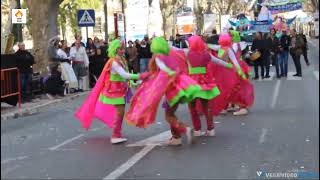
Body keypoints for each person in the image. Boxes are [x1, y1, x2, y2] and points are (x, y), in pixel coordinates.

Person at [126, 37, 203, 145]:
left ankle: (185, 129)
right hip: (181, 87)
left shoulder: (158, 57)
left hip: (171, 89)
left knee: (168, 115)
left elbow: (162, 69)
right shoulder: (171, 55)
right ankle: (176, 138)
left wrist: (169, 73)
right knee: (170, 113)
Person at [75, 39, 150, 144]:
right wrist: (140, 76)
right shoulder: (114, 61)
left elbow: (125, 76)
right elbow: (124, 75)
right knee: (120, 112)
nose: (122, 51)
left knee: (120, 112)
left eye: (123, 49)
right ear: (114, 49)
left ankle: (117, 134)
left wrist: (135, 82)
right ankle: (115, 135)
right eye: (119, 49)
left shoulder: (121, 59)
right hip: (114, 91)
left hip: (121, 89)